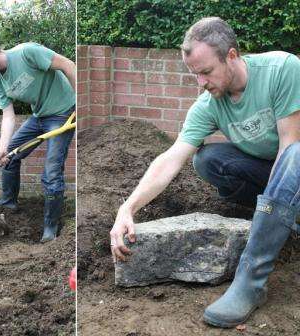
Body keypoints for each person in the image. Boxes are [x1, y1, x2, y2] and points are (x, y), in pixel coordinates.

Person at [110, 17, 300, 328]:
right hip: (275, 174)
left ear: (232, 56)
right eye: (195, 75)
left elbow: (288, 146)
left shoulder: (281, 69)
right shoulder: (209, 103)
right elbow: (171, 158)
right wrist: (127, 207)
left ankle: (250, 281)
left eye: (206, 72)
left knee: (295, 155)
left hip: (294, 161)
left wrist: (265, 219)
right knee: (207, 159)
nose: (201, 83)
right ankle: (284, 219)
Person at [0, 36, 75, 243]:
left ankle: (50, 228)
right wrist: (2, 147)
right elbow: (8, 115)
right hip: (39, 117)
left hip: (62, 113)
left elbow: (69, 65)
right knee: (9, 156)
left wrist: (81, 102)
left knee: (52, 172)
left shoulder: (28, 53)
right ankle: (9, 202)